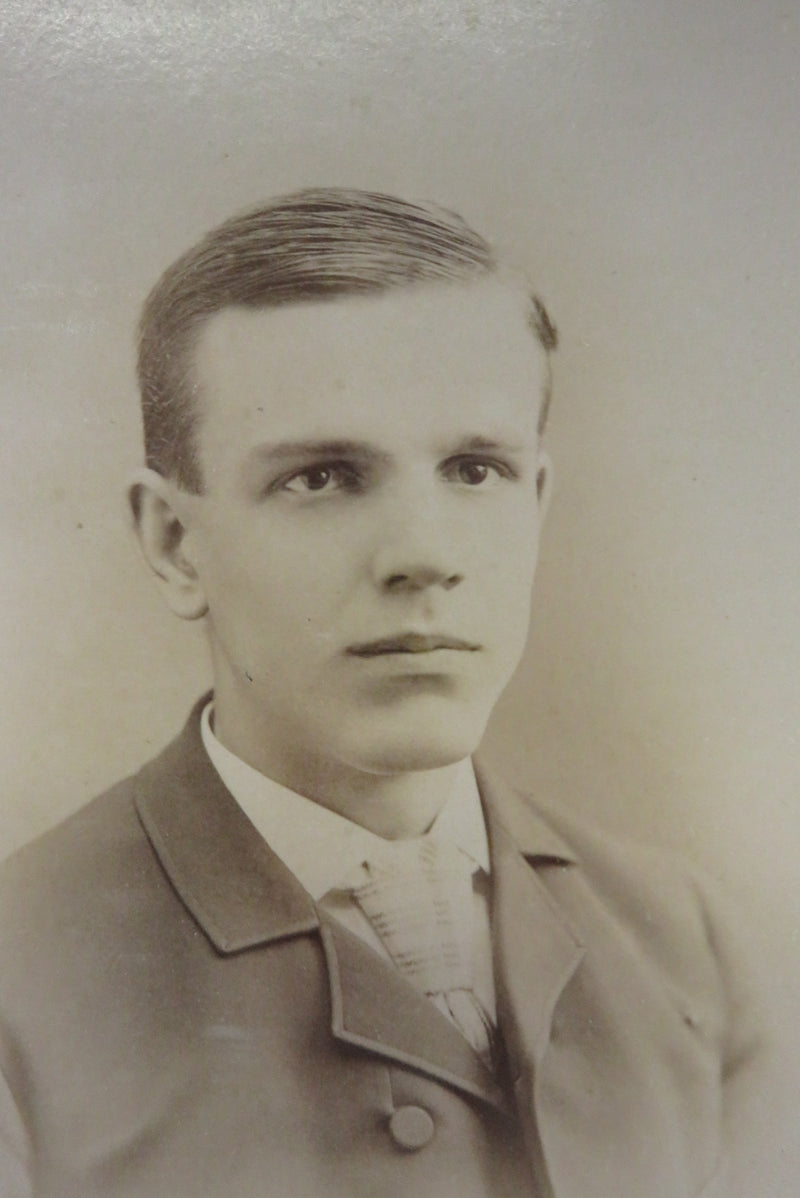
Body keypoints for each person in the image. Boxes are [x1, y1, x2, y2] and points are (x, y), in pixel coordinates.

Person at [0, 189, 769, 1197]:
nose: (422, 556)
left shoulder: (683, 944)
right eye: (321, 477)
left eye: (474, 469)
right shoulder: (21, 988)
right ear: (173, 542)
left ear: (535, 503)